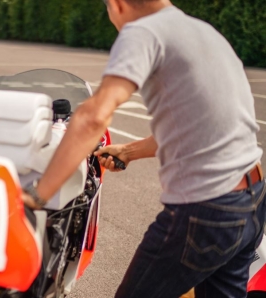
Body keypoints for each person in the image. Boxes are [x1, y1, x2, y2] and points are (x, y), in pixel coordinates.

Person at [21, 0, 265, 297]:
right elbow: (199, 125)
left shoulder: (143, 32)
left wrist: (37, 194)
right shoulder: (203, 32)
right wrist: (128, 151)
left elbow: (93, 116)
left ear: (117, 4)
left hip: (206, 209)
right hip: (251, 201)